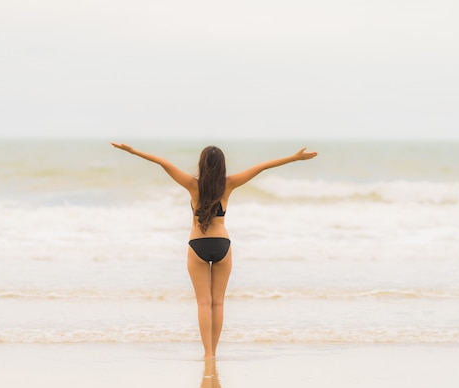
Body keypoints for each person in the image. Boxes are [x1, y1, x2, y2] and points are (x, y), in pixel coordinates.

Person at [110, 143, 318, 358]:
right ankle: (214, 353)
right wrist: (294, 158)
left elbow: (163, 163)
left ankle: (207, 353)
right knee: (218, 303)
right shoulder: (228, 184)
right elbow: (261, 167)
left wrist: (133, 151)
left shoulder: (192, 185)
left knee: (203, 303)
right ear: (222, 165)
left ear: (201, 164)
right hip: (222, 245)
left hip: (198, 245)